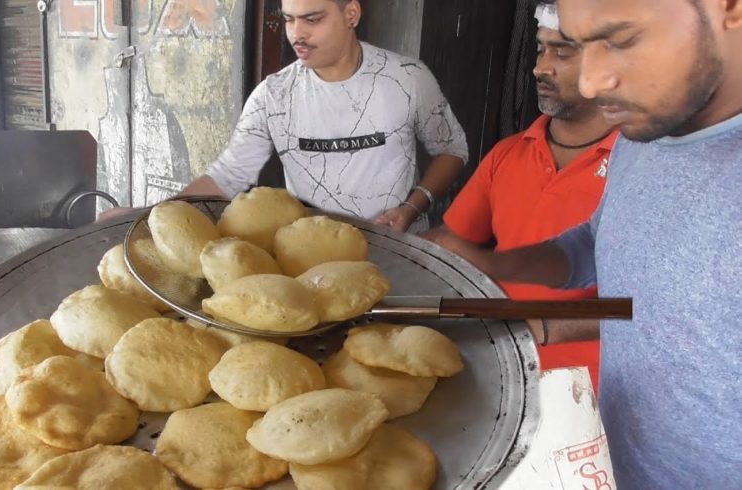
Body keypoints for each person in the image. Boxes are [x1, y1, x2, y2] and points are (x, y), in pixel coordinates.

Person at [429, 0, 742, 487]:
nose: (592, 83)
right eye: (581, 45)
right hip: (609, 462)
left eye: (619, 40)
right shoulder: (644, 139)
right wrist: (498, 264)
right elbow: (598, 245)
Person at [100, 0, 468, 232]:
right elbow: (228, 176)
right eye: (290, 19)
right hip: (312, 259)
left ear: (351, 14)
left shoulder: (406, 78)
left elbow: (452, 149)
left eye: (312, 19)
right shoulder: (273, 95)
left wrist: (411, 206)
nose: (297, 34)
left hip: (401, 250)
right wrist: (152, 214)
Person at [424, 1, 617, 392]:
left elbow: (662, 309)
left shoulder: (638, 166)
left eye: (561, 51)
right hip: (507, 376)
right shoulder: (508, 154)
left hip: (594, 396)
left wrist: (548, 326)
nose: (540, 67)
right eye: (539, 49)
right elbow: (453, 245)